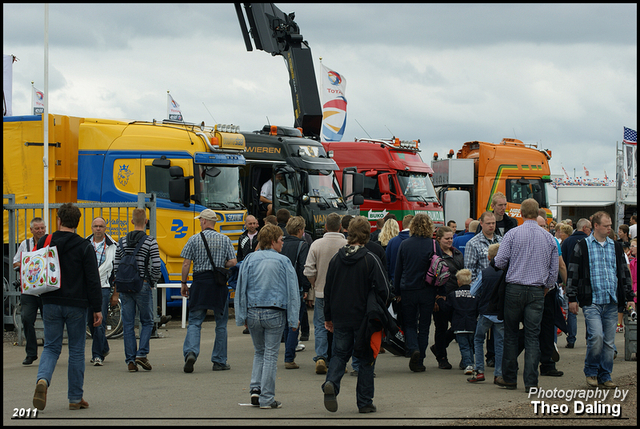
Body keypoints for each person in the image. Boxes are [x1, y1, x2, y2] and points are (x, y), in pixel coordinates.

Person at [32, 203, 102, 411]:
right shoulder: (84, 246)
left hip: (50, 301)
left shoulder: (46, 241)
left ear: (59, 221)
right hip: (76, 305)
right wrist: (97, 308)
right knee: (77, 351)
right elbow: (93, 279)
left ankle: (42, 380)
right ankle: (74, 397)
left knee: (51, 347)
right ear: (78, 223)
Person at [321, 216, 393, 414]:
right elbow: (385, 290)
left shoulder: (336, 259)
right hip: (364, 317)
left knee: (339, 354)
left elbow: (328, 289)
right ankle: (364, 402)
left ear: (348, 232)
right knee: (366, 358)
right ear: (367, 235)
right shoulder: (370, 259)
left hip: (340, 314)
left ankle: (332, 383)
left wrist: (328, 316)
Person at [493, 199, 558, 392]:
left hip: (514, 288)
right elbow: (553, 270)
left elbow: (500, 260)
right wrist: (546, 287)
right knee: (532, 336)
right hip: (537, 290)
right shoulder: (548, 237)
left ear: (520, 213)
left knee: (511, 334)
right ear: (537, 213)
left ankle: (509, 377)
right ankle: (531, 382)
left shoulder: (513, 234)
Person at [566, 211, 635, 389]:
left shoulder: (616, 246)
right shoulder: (583, 246)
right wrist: (572, 297)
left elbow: (623, 273)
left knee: (609, 342)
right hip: (592, 300)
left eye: (610, 225)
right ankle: (591, 371)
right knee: (596, 337)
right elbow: (573, 272)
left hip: (611, 300)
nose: (609, 228)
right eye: (606, 225)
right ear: (596, 226)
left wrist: (629, 296)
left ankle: (605, 374)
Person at [235, 224, 300, 409]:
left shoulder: (249, 259)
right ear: (273, 241)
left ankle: (255, 389)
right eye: (281, 240)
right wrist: (293, 318)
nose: (282, 244)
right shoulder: (283, 261)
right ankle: (267, 398)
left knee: (259, 351)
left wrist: (242, 315)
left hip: (253, 311)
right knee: (271, 354)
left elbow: (241, 288)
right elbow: (292, 291)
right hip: (275, 311)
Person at [181, 209, 237, 373]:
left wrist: (183, 283)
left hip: (200, 283)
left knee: (195, 321)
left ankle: (191, 352)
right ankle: (219, 361)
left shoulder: (194, 239)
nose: (199, 222)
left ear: (204, 221)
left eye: (200, 220)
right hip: (218, 284)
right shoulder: (225, 240)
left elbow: (186, 264)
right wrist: (222, 264)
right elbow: (233, 262)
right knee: (221, 324)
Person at [113, 208, 161, 372]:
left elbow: (116, 265)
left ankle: (130, 361)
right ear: (146, 222)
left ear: (132, 222)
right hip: (142, 284)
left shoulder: (122, 241)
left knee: (128, 324)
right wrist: (151, 281)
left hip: (125, 286)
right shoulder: (150, 241)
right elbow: (156, 265)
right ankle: (142, 353)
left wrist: (118, 283)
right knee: (146, 321)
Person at [394, 213, 440, 372]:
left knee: (410, 323)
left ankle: (413, 348)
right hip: (428, 290)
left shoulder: (405, 244)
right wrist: (439, 291)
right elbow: (439, 269)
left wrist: (397, 291)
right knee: (425, 326)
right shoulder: (434, 245)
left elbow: (398, 269)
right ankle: (420, 360)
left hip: (408, 289)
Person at [304, 213, 347, 374]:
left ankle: (321, 356)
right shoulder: (346, 244)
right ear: (341, 226)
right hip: (342, 294)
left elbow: (308, 270)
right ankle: (337, 357)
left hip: (322, 292)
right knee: (339, 326)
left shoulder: (316, 244)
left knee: (321, 325)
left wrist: (315, 284)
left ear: (326, 226)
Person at [13, 217, 47, 365]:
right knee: (26, 319)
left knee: (51, 322)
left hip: (47, 290)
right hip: (29, 290)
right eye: (37, 228)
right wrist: (27, 263)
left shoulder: (51, 242)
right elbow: (15, 262)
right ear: (31, 230)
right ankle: (31, 353)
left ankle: (51, 351)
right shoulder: (24, 244)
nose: (40, 231)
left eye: (42, 228)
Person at [468, 243, 504, 383]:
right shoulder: (506, 273)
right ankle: (498, 373)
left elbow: (473, 291)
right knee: (500, 343)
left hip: (486, 311)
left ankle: (479, 371)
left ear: (488, 257)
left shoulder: (484, 273)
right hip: (500, 314)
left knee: (478, 339)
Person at [430, 226, 464, 370]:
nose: (450, 241)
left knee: (460, 326)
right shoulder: (435, 255)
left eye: (451, 238)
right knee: (441, 327)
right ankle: (442, 357)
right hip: (441, 296)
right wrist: (434, 297)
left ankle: (439, 347)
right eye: (447, 239)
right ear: (438, 239)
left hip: (457, 296)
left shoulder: (457, 252)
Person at [85, 217, 117, 366]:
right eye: (95, 226)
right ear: (92, 228)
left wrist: (115, 292)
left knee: (100, 320)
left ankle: (97, 355)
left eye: (101, 226)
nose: (98, 229)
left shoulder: (113, 246)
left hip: (103, 287)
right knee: (90, 321)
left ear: (105, 228)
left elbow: (117, 270)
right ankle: (104, 346)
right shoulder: (85, 244)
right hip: (87, 287)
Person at [280, 216, 311, 369]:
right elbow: (303, 269)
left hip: (280, 287)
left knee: (285, 322)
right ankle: (289, 357)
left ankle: (287, 353)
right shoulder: (302, 245)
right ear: (300, 230)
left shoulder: (281, 243)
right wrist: (305, 288)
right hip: (295, 287)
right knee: (294, 322)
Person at [560, 218, 591, 348]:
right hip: (587, 282)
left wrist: (565, 282)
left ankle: (571, 339)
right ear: (584, 228)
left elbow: (563, 263)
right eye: (589, 228)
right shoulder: (589, 242)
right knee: (589, 310)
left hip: (571, 280)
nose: (590, 231)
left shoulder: (567, 242)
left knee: (572, 310)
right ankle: (590, 338)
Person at [441, 269, 477, 375]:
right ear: (470, 281)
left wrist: (440, 301)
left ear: (458, 282)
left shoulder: (453, 295)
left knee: (464, 346)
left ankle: (468, 364)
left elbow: (446, 308)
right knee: (471, 345)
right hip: (472, 324)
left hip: (459, 324)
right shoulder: (475, 294)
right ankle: (471, 362)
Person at [464, 212, 501, 283]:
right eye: (488, 223)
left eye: (493, 223)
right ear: (481, 223)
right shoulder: (473, 243)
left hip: (500, 285)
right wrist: (476, 288)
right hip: (482, 285)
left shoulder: (502, 241)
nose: (491, 226)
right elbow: (469, 270)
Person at [385, 214, 413, 283]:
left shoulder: (392, 242)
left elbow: (387, 264)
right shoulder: (418, 242)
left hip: (395, 281)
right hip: (414, 284)